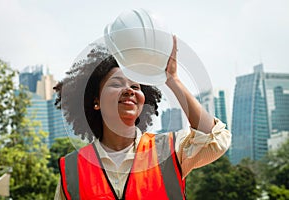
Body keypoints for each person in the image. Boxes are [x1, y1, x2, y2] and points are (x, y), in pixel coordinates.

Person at [53, 36, 231, 200]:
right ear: (96, 101)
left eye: (136, 86)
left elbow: (215, 139)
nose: (129, 90)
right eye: (116, 84)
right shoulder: (71, 169)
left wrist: (172, 80)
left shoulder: (170, 150)